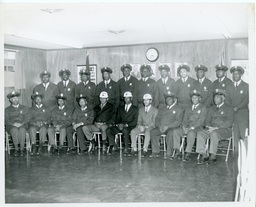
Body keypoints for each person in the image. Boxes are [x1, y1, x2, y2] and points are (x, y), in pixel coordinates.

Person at [196, 89, 234, 164]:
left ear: (223, 98)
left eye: (217, 97)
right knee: (200, 133)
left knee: (214, 134)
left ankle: (213, 156)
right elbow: (207, 120)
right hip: (211, 129)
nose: (215, 99)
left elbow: (229, 122)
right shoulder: (211, 108)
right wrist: (209, 127)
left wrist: (216, 128)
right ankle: (203, 154)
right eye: (214, 97)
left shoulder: (229, 108)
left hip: (224, 130)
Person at [172, 89, 207, 161]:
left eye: (196, 98)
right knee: (176, 131)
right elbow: (184, 120)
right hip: (187, 127)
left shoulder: (203, 108)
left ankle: (188, 152)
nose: (194, 99)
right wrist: (184, 127)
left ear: (199, 99)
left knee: (190, 133)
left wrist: (191, 128)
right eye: (193, 98)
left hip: (197, 128)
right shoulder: (188, 108)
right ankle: (177, 150)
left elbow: (200, 121)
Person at [150, 92, 183, 159]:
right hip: (161, 127)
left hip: (170, 128)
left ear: (174, 100)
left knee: (171, 133)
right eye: (167, 99)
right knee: (153, 132)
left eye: (170, 99)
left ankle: (169, 153)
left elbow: (178, 121)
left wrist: (167, 126)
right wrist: (159, 126)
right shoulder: (162, 109)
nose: (168, 101)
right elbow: (157, 118)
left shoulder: (178, 109)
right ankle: (155, 152)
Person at [225, 66, 249, 148]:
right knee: (234, 136)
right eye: (233, 74)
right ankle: (235, 155)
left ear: (240, 75)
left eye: (237, 74)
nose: (234, 76)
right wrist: (231, 108)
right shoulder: (229, 86)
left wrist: (237, 107)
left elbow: (246, 99)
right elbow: (226, 99)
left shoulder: (246, 86)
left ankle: (246, 156)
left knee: (244, 135)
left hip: (242, 114)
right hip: (232, 114)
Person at [5, 91, 29, 156]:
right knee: (14, 129)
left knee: (22, 130)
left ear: (18, 99)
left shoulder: (24, 108)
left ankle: (21, 149)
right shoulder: (7, 110)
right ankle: (16, 149)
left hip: (23, 125)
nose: (15, 100)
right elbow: (6, 120)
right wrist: (13, 124)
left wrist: (22, 123)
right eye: (13, 99)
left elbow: (27, 118)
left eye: (16, 98)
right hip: (11, 126)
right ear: (10, 100)